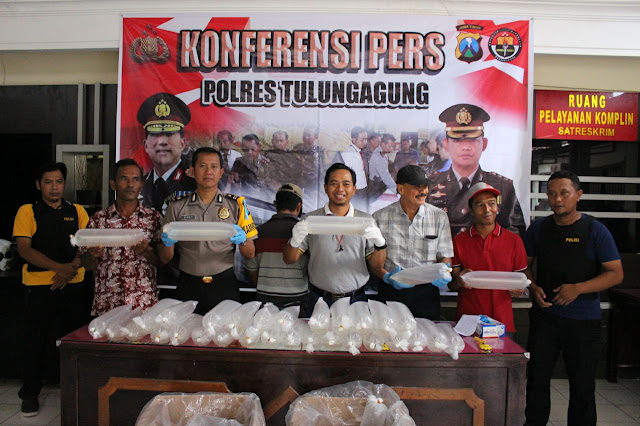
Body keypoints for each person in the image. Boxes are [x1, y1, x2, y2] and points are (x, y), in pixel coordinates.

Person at [524, 171, 623, 426]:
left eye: (564, 193)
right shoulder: (539, 228)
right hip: (545, 317)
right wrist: (532, 287)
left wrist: (578, 289)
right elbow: (524, 266)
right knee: (536, 380)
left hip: (583, 320)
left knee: (582, 385)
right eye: (552, 194)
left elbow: (615, 274)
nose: (557, 199)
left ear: (578, 195)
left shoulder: (595, 230)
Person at [13, 162, 89, 417]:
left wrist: (70, 271)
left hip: (73, 285)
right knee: (34, 341)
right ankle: (30, 394)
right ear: (39, 185)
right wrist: (61, 269)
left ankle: (78, 391)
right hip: (38, 287)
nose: (54, 187)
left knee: (74, 341)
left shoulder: (77, 211)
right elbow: (25, 249)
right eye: (48, 182)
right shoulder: (28, 211)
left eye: (59, 182)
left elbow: (87, 248)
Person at [158, 147, 258, 315]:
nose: (208, 172)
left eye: (214, 167)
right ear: (192, 171)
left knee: (224, 331)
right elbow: (164, 258)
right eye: (202, 166)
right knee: (185, 330)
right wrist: (167, 242)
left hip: (223, 284)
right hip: (188, 284)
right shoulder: (177, 206)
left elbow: (250, 253)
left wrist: (243, 240)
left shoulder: (236, 205)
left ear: (221, 172)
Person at [283, 163, 386, 306]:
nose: (340, 189)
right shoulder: (311, 219)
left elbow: (376, 266)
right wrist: (294, 241)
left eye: (346, 184)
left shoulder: (365, 221)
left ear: (354, 189)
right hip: (318, 299)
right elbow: (289, 259)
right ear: (325, 188)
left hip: (356, 299)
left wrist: (380, 244)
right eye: (334, 184)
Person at [426, 103, 525, 237]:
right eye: (457, 141)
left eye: (472, 140)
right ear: (446, 145)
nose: (465, 147)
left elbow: (515, 232)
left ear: (484, 144)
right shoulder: (430, 185)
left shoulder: (503, 186)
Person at [79, 159, 162, 316]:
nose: (130, 184)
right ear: (113, 184)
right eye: (124, 179)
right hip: (108, 304)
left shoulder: (153, 218)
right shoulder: (98, 219)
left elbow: (162, 261)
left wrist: (146, 251)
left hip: (143, 304)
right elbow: (86, 264)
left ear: (141, 185)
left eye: (135, 179)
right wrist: (92, 255)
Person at [372, 165, 453, 319]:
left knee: (428, 333)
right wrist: (388, 277)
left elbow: (445, 256)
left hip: (427, 293)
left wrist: (444, 272)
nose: (423, 191)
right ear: (400, 189)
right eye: (417, 186)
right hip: (391, 291)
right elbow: (374, 264)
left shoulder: (439, 217)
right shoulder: (379, 217)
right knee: (390, 333)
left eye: (425, 186)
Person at [448, 183, 528, 335]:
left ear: (497, 207)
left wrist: (519, 290)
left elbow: (521, 281)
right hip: (468, 323)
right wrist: (459, 281)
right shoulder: (459, 241)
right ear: (471, 210)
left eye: (491, 203)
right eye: (480, 205)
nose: (487, 210)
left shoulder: (514, 241)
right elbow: (452, 285)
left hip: (502, 322)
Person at [244, 183, 309, 313]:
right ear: (299, 206)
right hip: (298, 303)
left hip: (265, 302)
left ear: (275, 204)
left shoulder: (257, 233)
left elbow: (252, 272)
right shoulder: (305, 233)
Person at [138, 92, 196, 214]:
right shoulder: (138, 185)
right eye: (155, 134)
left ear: (182, 143)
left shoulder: (196, 184)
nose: (162, 142)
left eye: (169, 134)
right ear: (145, 145)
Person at [230, 133, 272, 199]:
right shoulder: (239, 163)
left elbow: (271, 187)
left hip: (263, 199)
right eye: (246, 149)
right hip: (245, 198)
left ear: (259, 147)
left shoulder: (266, 163)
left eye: (252, 149)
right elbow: (235, 185)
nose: (249, 152)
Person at [337, 126, 369, 199]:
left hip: (362, 187)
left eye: (366, 139)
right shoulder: (348, 153)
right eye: (362, 140)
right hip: (356, 190)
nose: (365, 142)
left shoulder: (360, 151)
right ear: (354, 140)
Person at [368, 133, 397, 200]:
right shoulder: (378, 156)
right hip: (376, 186)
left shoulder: (383, 152)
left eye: (393, 146)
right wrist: (396, 189)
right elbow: (385, 175)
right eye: (390, 146)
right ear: (383, 144)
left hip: (380, 184)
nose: (391, 149)